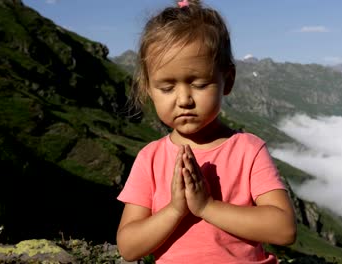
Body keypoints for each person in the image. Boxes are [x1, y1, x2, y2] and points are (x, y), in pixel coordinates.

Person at [116, 0, 297, 263]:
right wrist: (176, 210)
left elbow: (284, 229)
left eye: (199, 84)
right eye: (167, 88)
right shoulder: (150, 158)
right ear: (148, 89)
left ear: (228, 80)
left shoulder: (248, 150)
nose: (184, 99)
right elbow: (129, 247)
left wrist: (207, 207)